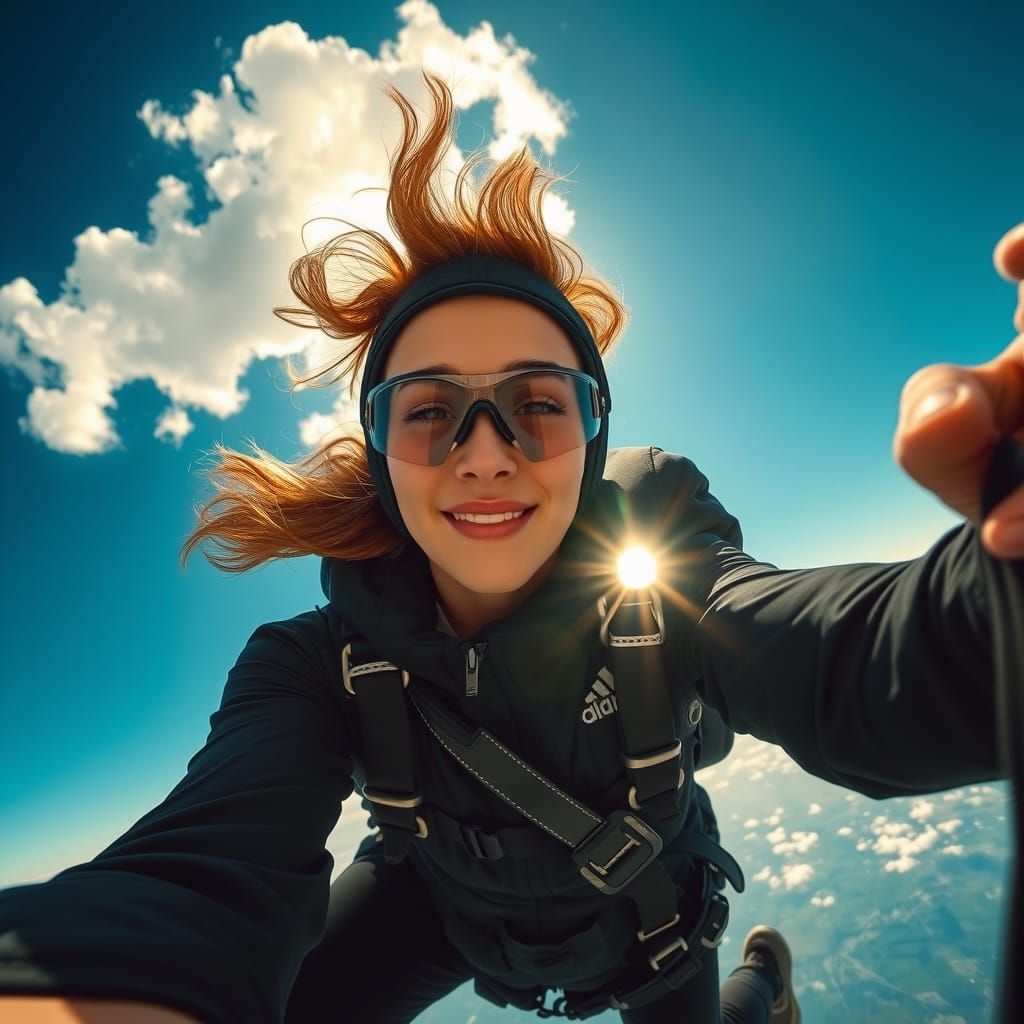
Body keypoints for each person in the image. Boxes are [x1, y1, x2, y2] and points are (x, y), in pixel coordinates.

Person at [0, 70, 1021, 1024]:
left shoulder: (658, 569)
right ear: (382, 454)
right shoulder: (318, 666)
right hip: (440, 911)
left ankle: (763, 984)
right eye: (430, 411)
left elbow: (849, 659)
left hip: (648, 915)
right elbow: (197, 868)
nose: (484, 456)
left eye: (536, 404)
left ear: (594, 440)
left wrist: (1002, 593)